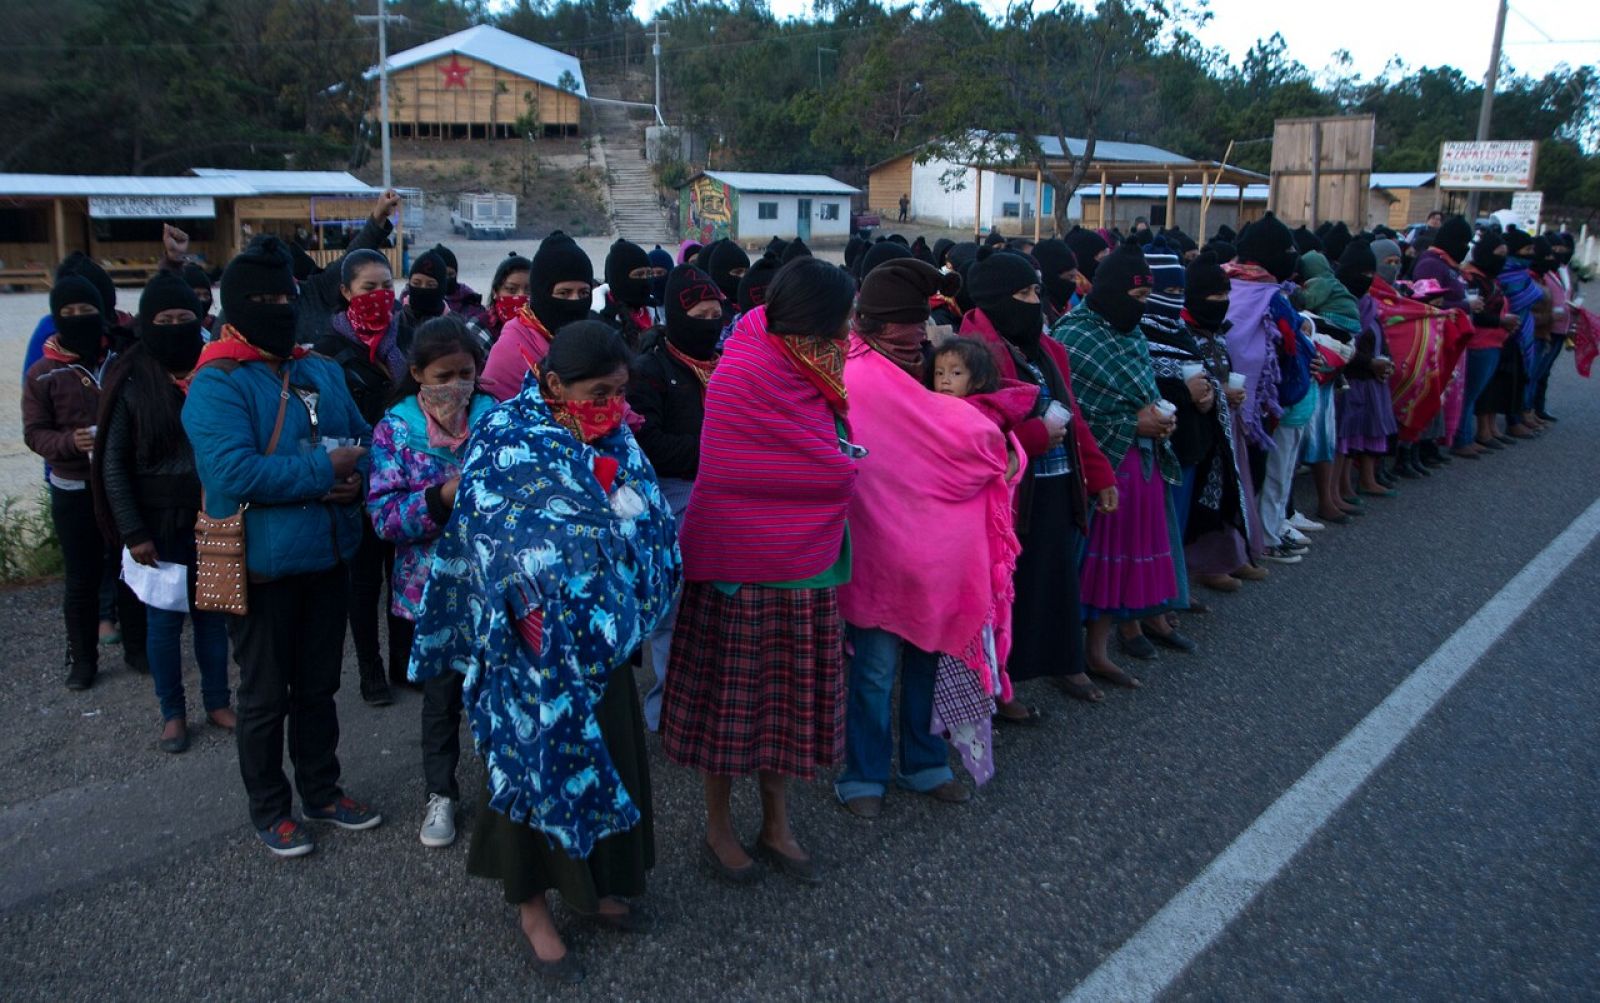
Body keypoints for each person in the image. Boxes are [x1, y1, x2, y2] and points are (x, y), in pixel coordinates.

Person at [408, 321, 679, 982]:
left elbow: (649, 522)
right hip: (529, 655)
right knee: (535, 768)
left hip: (603, 642)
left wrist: (625, 550)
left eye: (620, 390)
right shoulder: (505, 436)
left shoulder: (615, 435)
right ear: (554, 383)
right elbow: (489, 539)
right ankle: (532, 906)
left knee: (609, 759)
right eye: (598, 391)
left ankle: (601, 887)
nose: (613, 404)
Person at [660, 257, 858, 885]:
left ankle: (777, 822)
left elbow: (826, 448)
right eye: (842, 320)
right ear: (814, 322)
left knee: (788, 708)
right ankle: (718, 828)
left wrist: (833, 464)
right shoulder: (743, 369)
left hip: (807, 566)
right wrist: (836, 471)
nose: (849, 332)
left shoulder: (815, 366)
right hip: (739, 569)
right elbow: (737, 471)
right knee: (729, 708)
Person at [182, 237, 379, 856]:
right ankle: (270, 807)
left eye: (284, 296)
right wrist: (326, 472)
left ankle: (322, 790)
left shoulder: (317, 366)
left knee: (319, 687)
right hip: (261, 565)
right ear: (234, 307)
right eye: (261, 299)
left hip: (327, 556)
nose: (277, 307)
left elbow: (366, 436)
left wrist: (359, 477)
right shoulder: (216, 383)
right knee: (265, 697)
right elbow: (232, 474)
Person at [834, 257, 1012, 816]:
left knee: (928, 660)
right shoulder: (856, 375)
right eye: (908, 326)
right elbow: (976, 440)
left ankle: (924, 764)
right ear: (880, 325)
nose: (919, 338)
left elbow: (976, 435)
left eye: (921, 325)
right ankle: (864, 774)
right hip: (879, 547)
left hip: (934, 553)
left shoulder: (924, 368)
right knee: (876, 669)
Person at [961, 248, 1116, 708]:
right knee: (1009, 590)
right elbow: (974, 432)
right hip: (1008, 492)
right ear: (997, 299)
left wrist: (1099, 473)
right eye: (1025, 293)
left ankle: (1059, 661)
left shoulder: (1047, 348)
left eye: (1036, 290)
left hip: (1056, 480)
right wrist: (1033, 437)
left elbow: (1074, 415)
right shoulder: (973, 354)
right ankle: (999, 683)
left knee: (1055, 579)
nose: (1036, 300)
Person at [366, 316, 495, 848]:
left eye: (466, 373)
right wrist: (439, 498)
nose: (456, 386)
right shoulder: (395, 430)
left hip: (495, 584)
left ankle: (506, 791)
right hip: (433, 593)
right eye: (444, 375)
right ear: (417, 373)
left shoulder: (497, 418)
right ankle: (440, 794)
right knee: (441, 700)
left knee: (499, 694)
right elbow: (383, 516)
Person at [93, 273, 234, 751]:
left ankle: (217, 701)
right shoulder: (130, 378)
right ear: (147, 323)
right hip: (157, 524)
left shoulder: (215, 371)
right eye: (164, 319)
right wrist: (133, 531)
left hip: (210, 515)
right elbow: (111, 463)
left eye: (184, 319)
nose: (176, 326)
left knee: (214, 618)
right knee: (163, 622)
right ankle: (172, 712)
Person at [1054, 241, 1188, 683]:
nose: (1143, 308)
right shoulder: (1074, 335)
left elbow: (1142, 388)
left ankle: (1100, 648)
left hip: (1142, 463)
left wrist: (1156, 419)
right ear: (1112, 291)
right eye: (1137, 298)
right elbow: (1074, 409)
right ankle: (1073, 656)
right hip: (1104, 466)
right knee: (1094, 562)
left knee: (1126, 558)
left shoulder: (1129, 331)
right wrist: (1133, 423)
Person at [23, 275, 147, 690]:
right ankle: (82, 659)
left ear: (103, 313)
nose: (79, 319)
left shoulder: (123, 357)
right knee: (81, 577)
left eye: (87, 311)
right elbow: (34, 433)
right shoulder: (42, 374)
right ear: (57, 317)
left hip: (123, 484)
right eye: (69, 313)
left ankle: (137, 646)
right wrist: (67, 442)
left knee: (130, 567)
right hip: (73, 487)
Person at [626, 265, 725, 731]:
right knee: (673, 610)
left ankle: (711, 701)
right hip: (672, 498)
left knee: (717, 608)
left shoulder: (727, 361)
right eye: (698, 314)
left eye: (715, 313)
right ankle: (667, 708)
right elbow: (649, 443)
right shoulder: (650, 370)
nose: (709, 323)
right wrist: (714, 452)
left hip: (723, 496)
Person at [312, 248, 410, 706]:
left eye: (387, 286)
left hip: (406, 479)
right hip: (360, 479)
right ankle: (370, 669)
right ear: (346, 292)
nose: (380, 296)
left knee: (404, 575)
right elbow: (325, 423)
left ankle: (404, 661)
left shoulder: (404, 338)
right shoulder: (328, 351)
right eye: (369, 287)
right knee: (365, 581)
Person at [1223, 213, 1314, 566]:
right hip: (1258, 404)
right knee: (1255, 476)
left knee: (1246, 477)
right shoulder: (1272, 298)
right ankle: (1255, 542)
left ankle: (1252, 541)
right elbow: (1291, 352)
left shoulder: (1225, 281)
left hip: (1233, 395)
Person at [1174, 253, 1259, 593]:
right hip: (1193, 429)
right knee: (1194, 504)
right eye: (1214, 296)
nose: (1222, 303)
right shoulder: (1181, 330)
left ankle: (1227, 558)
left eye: (1226, 296)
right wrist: (1218, 392)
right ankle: (1193, 573)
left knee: (1225, 491)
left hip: (1222, 424)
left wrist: (1227, 395)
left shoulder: (1216, 331)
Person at [482, 235, 594, 400]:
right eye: (564, 293)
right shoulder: (512, 349)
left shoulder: (593, 338)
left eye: (583, 293)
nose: (575, 301)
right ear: (542, 295)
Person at [290, 190, 403, 347]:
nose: (379, 293)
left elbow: (351, 257)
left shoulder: (315, 290)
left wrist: (379, 215)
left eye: (387, 285)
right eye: (369, 287)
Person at [1458, 233, 1517, 454]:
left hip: (1494, 340)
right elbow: (1477, 314)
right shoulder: (1472, 278)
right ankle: (1461, 439)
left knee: (1477, 392)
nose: (1502, 259)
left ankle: (1466, 436)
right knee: (1469, 393)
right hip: (1478, 341)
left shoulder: (1489, 277)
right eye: (1498, 254)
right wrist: (1501, 321)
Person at [596, 239, 658, 349]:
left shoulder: (653, 309)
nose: (645, 280)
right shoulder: (601, 322)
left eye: (649, 274)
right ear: (620, 279)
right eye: (639, 275)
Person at [430, 243, 491, 328]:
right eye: (441, 275)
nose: (446, 279)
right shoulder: (418, 302)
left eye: (450, 274)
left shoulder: (470, 302)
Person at [483, 253, 533, 346]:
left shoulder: (544, 328)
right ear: (495, 292)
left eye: (529, 290)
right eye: (511, 289)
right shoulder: (481, 328)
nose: (521, 296)